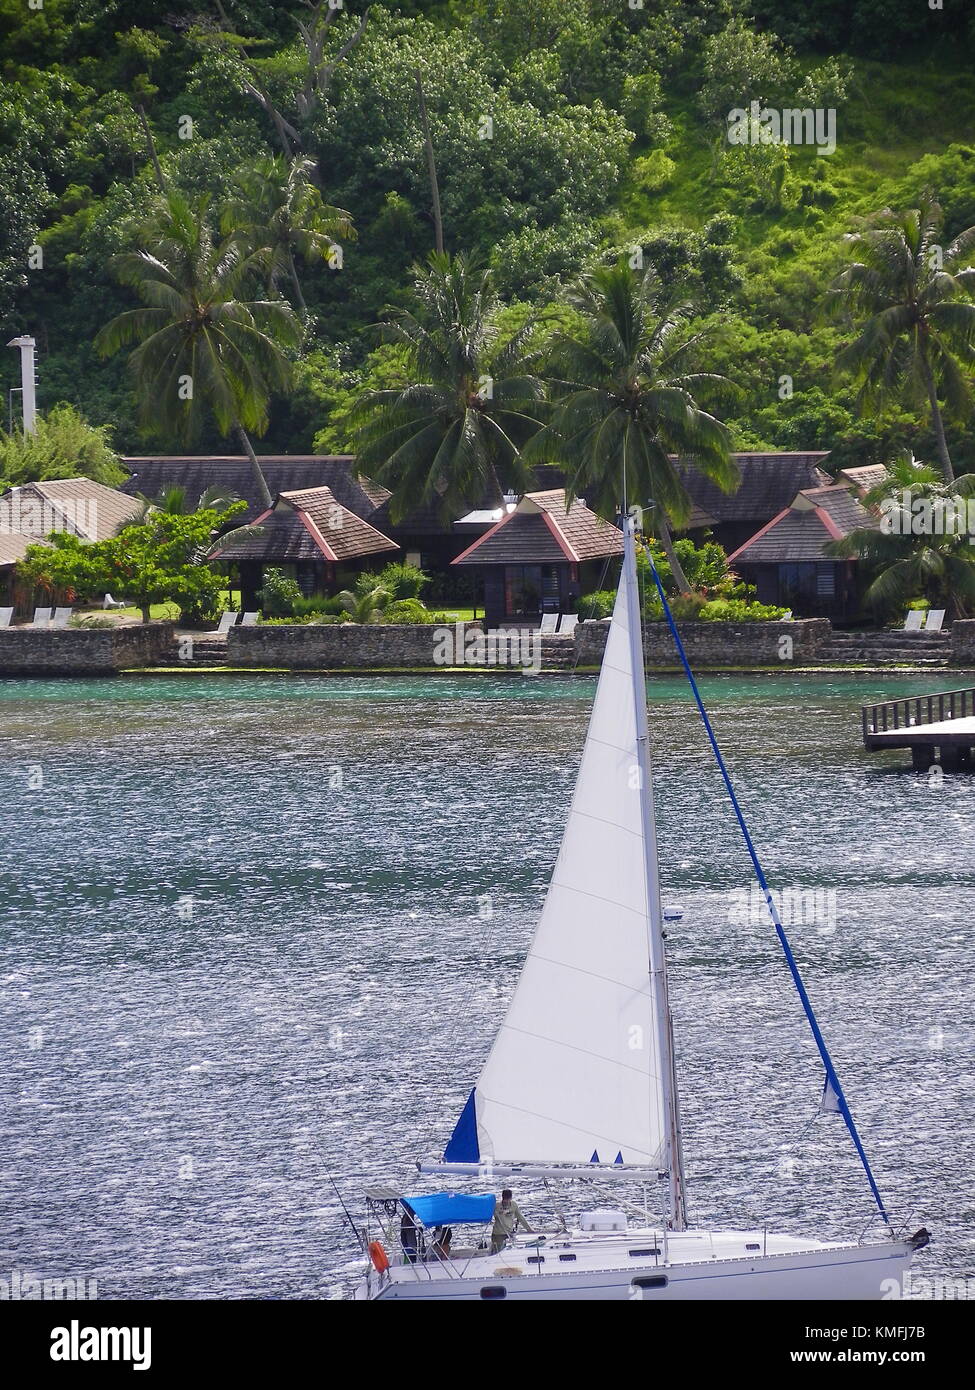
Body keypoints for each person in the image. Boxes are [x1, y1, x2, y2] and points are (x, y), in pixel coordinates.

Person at [491, 1189, 532, 1254]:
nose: (506, 1201)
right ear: (502, 1198)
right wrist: (500, 1212)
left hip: (509, 1233)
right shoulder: (496, 1206)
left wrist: (529, 1229)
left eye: (508, 1199)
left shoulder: (514, 1205)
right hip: (498, 1234)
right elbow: (490, 1216)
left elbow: (520, 1217)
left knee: (509, 1252)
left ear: (511, 1198)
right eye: (505, 1200)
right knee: (498, 1253)